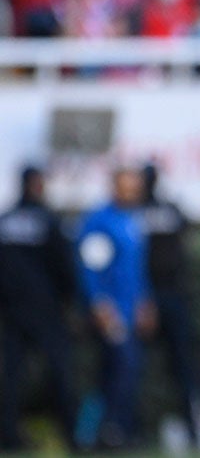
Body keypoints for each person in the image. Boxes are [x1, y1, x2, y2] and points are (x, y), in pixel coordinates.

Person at [75, 166, 158, 450]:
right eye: (127, 186)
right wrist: (99, 304)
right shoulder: (100, 220)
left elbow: (137, 270)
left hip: (131, 310)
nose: (133, 191)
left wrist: (145, 303)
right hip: (112, 312)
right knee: (120, 369)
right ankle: (107, 431)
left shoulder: (133, 220)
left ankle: (107, 431)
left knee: (121, 371)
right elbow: (90, 268)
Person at [0, 166, 78, 451]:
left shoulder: (5, 220)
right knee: (60, 374)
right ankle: (71, 436)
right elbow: (65, 266)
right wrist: (67, 301)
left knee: (11, 378)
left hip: (12, 312)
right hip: (46, 312)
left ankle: (9, 438)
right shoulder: (48, 220)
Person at [141, 163, 200, 447]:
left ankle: (191, 426)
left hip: (168, 297)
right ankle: (137, 428)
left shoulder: (152, 209)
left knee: (181, 365)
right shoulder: (140, 210)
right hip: (148, 298)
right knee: (138, 366)